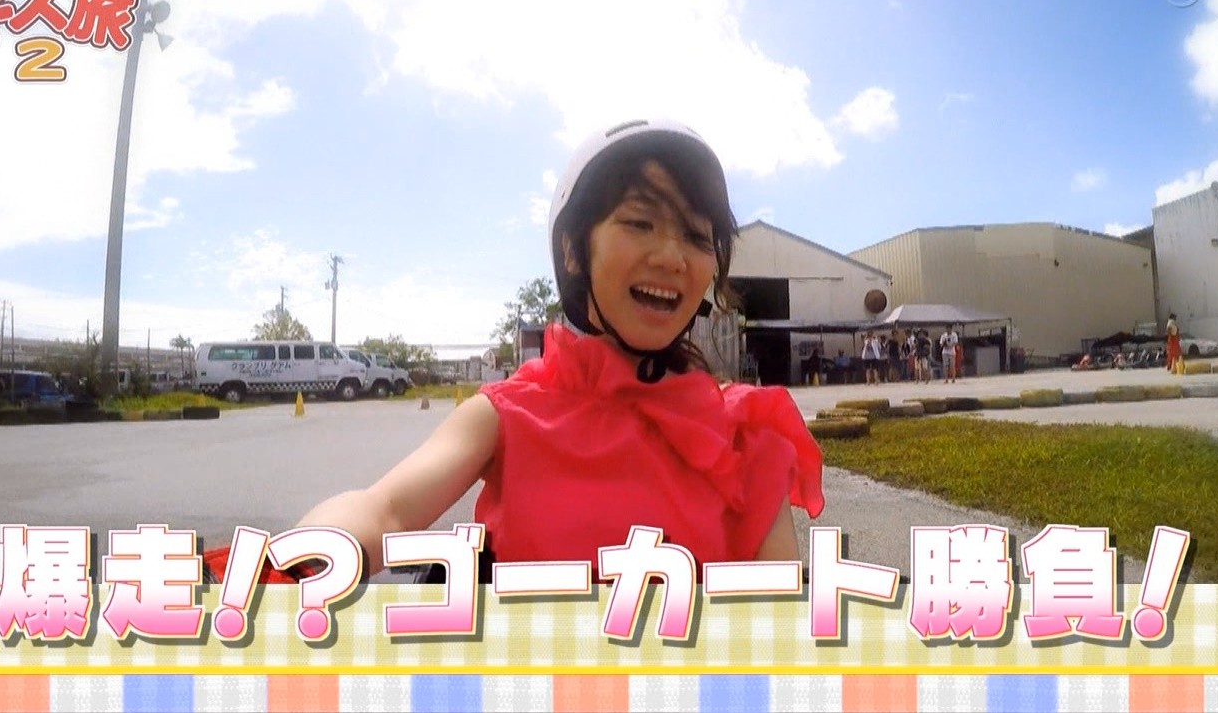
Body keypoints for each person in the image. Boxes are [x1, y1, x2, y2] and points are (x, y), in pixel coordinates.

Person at [204, 119, 825, 584]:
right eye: (640, 223)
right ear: (574, 252)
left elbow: (780, 621)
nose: (671, 255)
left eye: (696, 236)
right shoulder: (506, 413)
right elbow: (384, 508)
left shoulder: (746, 431)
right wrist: (285, 568)